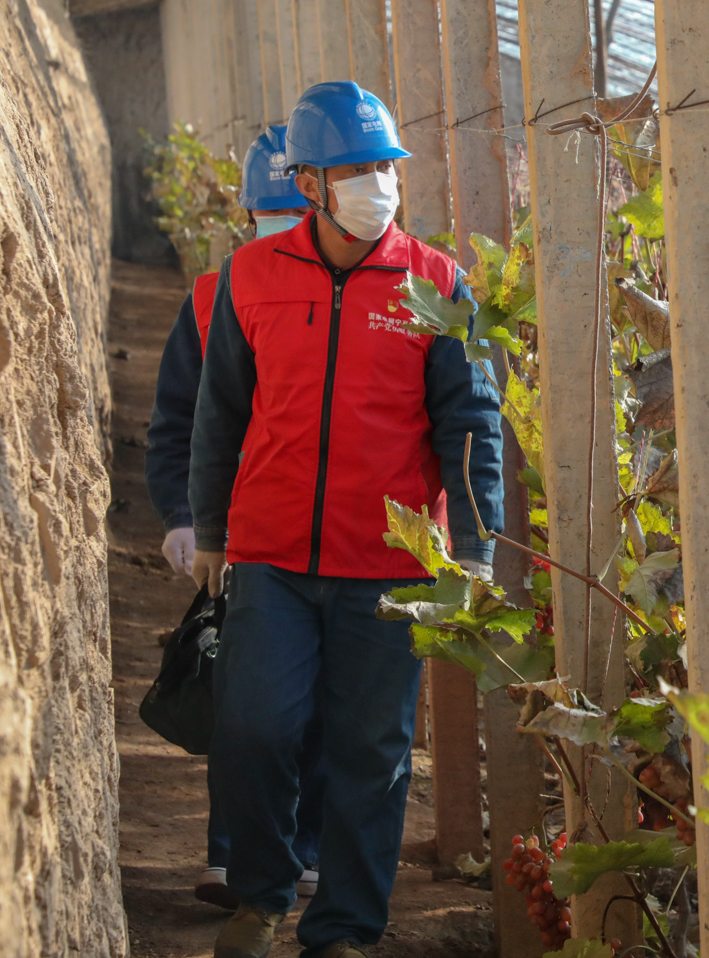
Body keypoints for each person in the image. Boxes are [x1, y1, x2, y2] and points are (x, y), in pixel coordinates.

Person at [189, 81, 504, 958]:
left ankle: (346, 929)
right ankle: (260, 895)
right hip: (271, 553)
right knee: (255, 724)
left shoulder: (436, 282)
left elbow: (471, 422)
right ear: (313, 185)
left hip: (389, 563)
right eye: (357, 168)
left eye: (384, 165)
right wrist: (210, 529)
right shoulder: (252, 277)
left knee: (373, 753)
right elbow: (220, 412)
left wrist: (473, 550)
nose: (378, 182)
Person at [145, 125, 324, 910]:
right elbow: (178, 417)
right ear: (248, 215)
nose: (281, 231)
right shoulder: (216, 294)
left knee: (323, 701)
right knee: (245, 695)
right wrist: (186, 516)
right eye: (271, 216)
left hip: (337, 532)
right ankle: (233, 855)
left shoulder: (373, 286)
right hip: (244, 533)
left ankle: (305, 851)